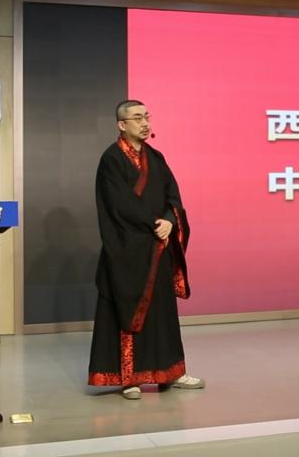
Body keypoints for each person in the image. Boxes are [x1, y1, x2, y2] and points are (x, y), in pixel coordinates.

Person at [87, 100, 205, 400]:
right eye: (137, 118)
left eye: (146, 117)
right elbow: (119, 205)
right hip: (127, 249)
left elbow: (172, 196)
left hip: (158, 248)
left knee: (163, 313)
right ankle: (130, 378)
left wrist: (169, 221)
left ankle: (170, 373)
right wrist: (153, 224)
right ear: (121, 125)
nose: (145, 123)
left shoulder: (156, 157)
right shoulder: (111, 159)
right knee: (127, 310)